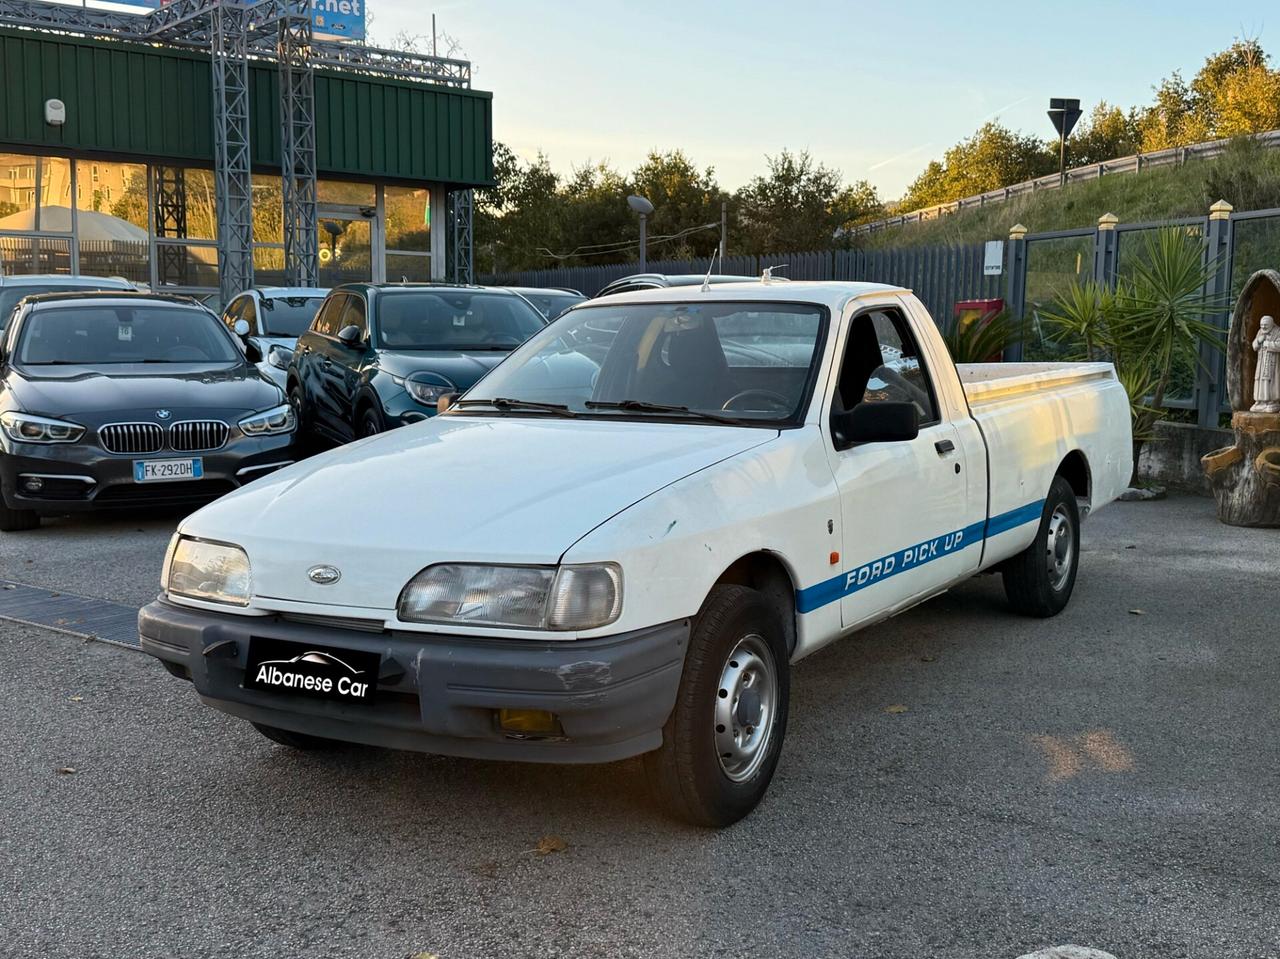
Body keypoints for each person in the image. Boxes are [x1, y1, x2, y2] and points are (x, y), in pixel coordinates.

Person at [1252, 314, 1280, 413]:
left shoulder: (1278, 332)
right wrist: (1258, 341)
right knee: (1259, 380)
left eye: (1265, 325)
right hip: (1261, 362)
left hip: (1272, 363)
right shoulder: (1260, 332)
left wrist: (1269, 344)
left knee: (1270, 381)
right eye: (1261, 325)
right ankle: (1259, 401)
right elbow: (1254, 346)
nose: (1263, 327)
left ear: (1272, 324)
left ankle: (1271, 402)